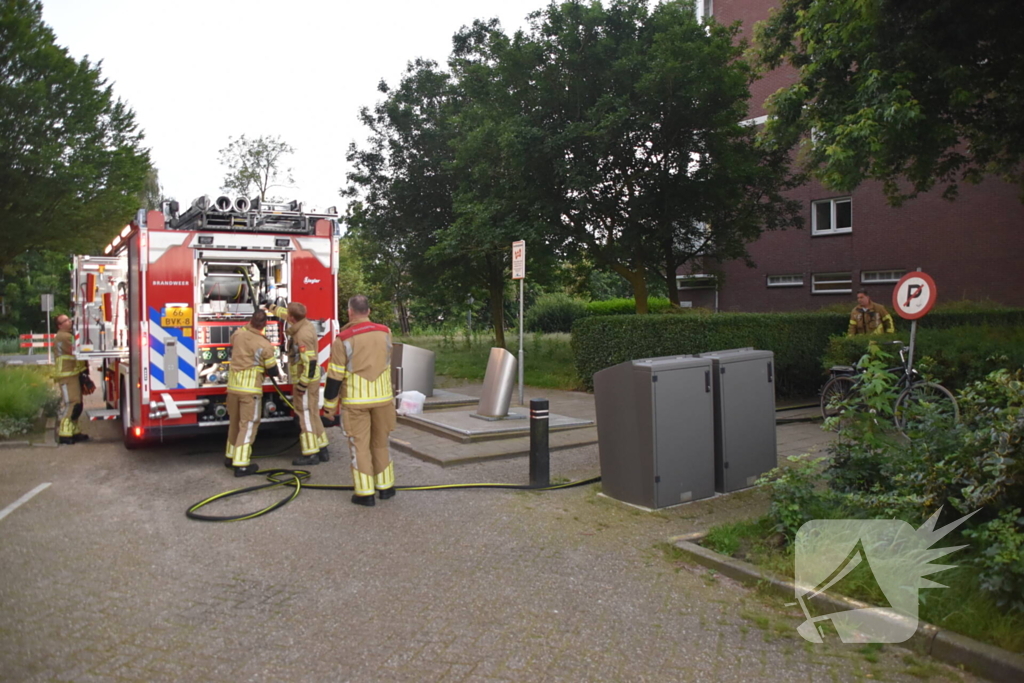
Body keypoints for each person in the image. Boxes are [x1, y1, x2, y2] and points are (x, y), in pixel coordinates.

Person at [322, 295, 397, 506]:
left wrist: (329, 408)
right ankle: (386, 488)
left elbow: (335, 377)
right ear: (369, 311)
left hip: (356, 402)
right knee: (381, 443)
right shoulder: (385, 332)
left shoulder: (343, 338)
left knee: (360, 446)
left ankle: (365, 494)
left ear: (349, 312)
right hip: (383, 399)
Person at [269, 301, 328, 466]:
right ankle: (322, 447)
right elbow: (285, 314)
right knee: (314, 414)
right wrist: (271, 307)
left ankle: (311, 453)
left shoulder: (302, 335)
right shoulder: (304, 323)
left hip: (306, 381)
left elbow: (310, 363)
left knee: (306, 415)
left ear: (292, 318)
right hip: (312, 380)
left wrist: (302, 386)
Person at [225, 310, 281, 476]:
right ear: (264, 325)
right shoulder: (264, 345)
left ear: (250, 321)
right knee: (248, 425)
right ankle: (241, 464)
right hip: (250, 390)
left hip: (233, 387)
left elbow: (237, 335)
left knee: (234, 423)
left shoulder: (238, 335)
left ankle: (230, 456)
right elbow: (273, 371)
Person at [52, 314, 89, 445]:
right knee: (72, 403)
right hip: (67, 375)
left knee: (77, 404)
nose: (69, 321)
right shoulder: (64, 337)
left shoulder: (66, 336)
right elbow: (77, 350)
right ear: (60, 325)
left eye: (69, 319)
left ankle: (74, 431)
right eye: (65, 320)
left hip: (72, 374)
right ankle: (64, 434)